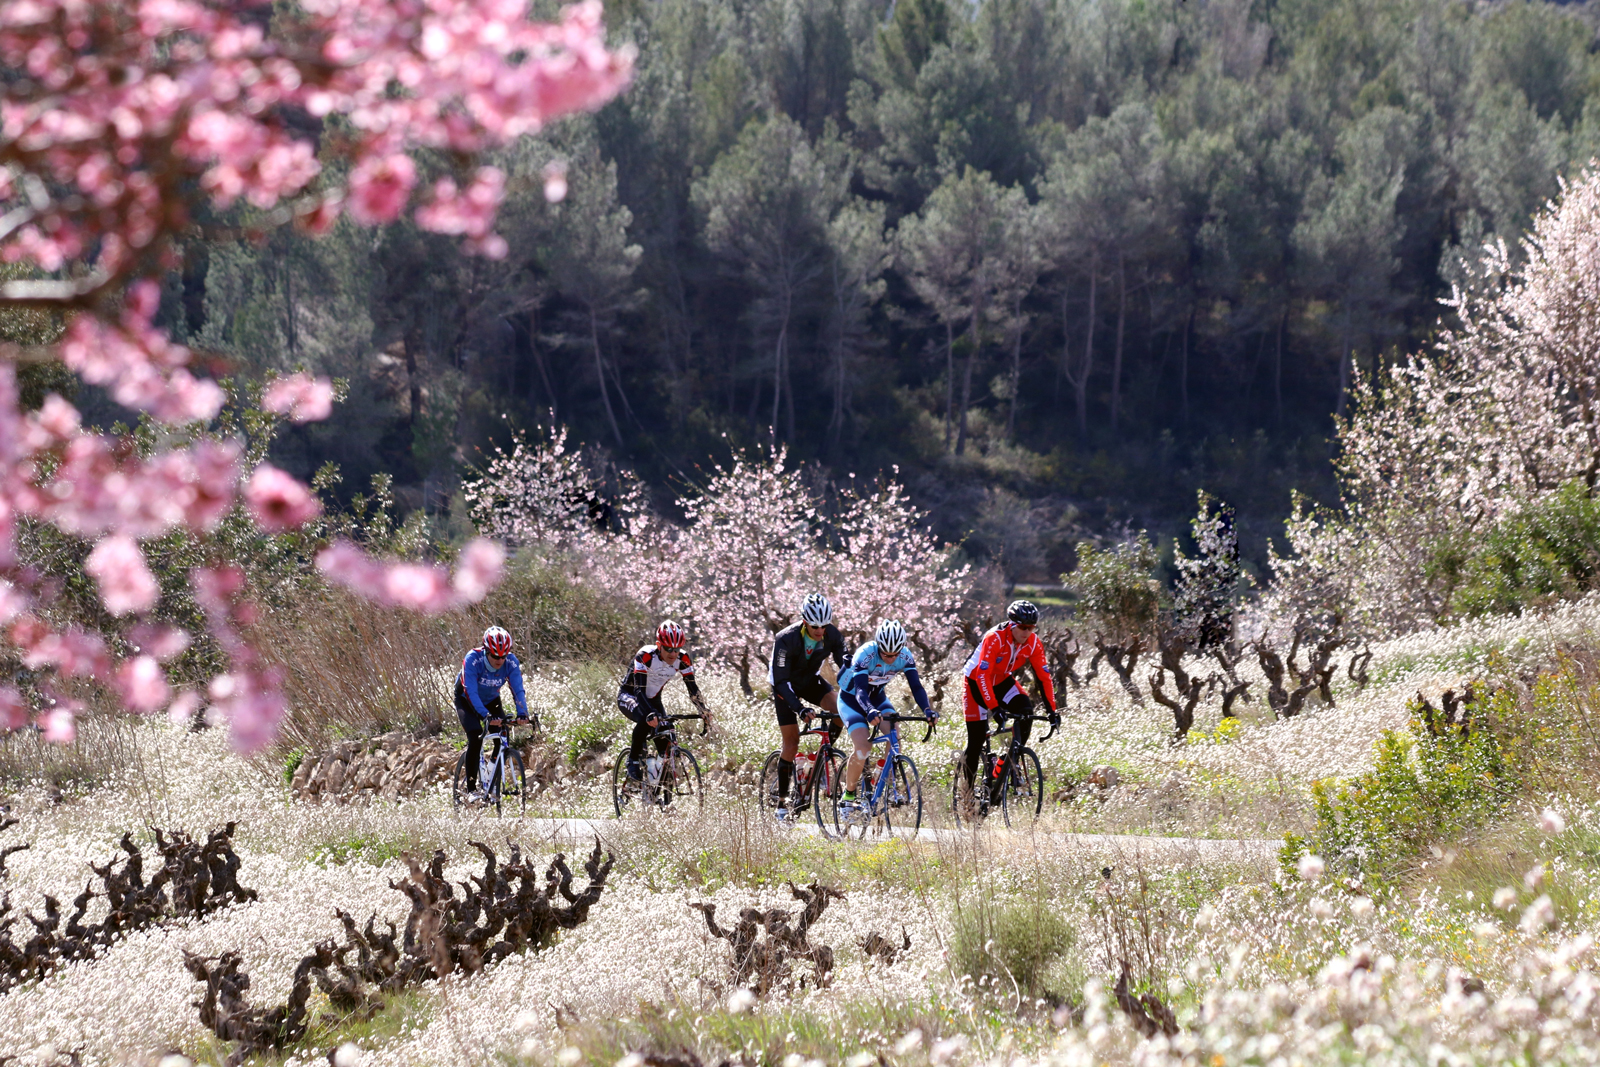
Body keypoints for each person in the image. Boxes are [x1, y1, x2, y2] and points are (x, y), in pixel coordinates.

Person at [834, 619, 936, 818]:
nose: (891, 659)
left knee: (894, 736)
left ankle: (885, 780)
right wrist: (869, 710)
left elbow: (916, 687)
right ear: (879, 646)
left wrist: (927, 710)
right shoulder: (865, 654)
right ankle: (848, 795)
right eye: (886, 655)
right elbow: (861, 691)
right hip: (851, 700)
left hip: (878, 699)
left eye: (895, 655)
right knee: (863, 749)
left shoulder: (905, 656)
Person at [960, 599, 1059, 796]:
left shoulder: (1033, 643)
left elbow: (1044, 677)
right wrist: (995, 708)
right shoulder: (995, 638)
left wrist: (1052, 712)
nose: (1026, 632)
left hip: (1002, 680)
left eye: (1031, 628)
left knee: (1026, 712)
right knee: (976, 739)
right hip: (976, 682)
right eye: (1022, 627)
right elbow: (982, 675)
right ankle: (968, 795)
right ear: (1012, 625)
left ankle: (1008, 762)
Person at [768, 593, 847, 816]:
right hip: (785, 687)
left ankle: (823, 755)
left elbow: (846, 665)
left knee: (841, 709)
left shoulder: (831, 634)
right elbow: (781, 681)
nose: (820, 630)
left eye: (824, 625)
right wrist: (800, 708)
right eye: (815, 626)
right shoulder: (786, 638)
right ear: (804, 621)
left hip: (810, 681)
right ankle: (782, 803)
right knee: (791, 744)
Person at [617, 620, 710, 781]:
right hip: (631, 696)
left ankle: (657, 787)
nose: (673, 654)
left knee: (665, 737)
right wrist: (649, 714)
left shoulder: (684, 659)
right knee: (647, 720)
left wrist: (703, 710)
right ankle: (632, 760)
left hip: (653, 700)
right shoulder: (645, 656)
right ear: (659, 645)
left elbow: (692, 689)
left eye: (677, 649)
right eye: (668, 649)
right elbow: (639, 690)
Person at [456, 625, 530, 795]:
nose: (500, 660)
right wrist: (485, 716)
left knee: (502, 733)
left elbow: (517, 689)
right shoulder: (473, 659)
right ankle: (471, 790)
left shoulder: (511, 662)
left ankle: (491, 775)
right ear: (486, 651)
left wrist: (522, 713)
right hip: (466, 700)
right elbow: (471, 691)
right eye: (495, 656)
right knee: (475, 736)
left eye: (503, 656)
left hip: (490, 700)